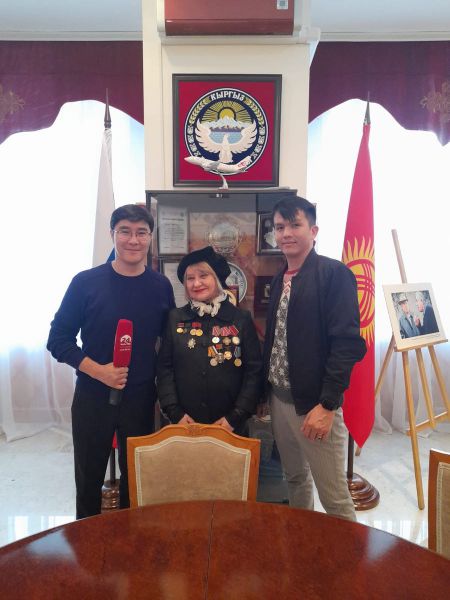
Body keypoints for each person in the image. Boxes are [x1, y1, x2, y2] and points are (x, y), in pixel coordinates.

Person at [47, 204, 175, 519]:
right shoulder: (85, 283)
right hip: (93, 395)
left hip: (140, 399)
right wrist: (98, 371)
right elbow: (58, 339)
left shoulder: (161, 286)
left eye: (141, 232)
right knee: (89, 477)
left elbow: (170, 343)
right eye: (125, 231)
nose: (133, 240)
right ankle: (86, 538)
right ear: (112, 234)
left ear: (150, 237)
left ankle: (130, 539)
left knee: (136, 478)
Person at [261, 195, 366, 521]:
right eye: (280, 227)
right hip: (279, 402)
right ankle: (301, 542)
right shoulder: (280, 277)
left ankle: (348, 553)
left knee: (334, 498)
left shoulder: (334, 274)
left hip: (315, 406)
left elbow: (346, 344)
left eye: (295, 225)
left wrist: (327, 405)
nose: (286, 233)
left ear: (313, 230)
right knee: (294, 479)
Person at [157, 246, 262, 434]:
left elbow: (254, 372)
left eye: (203, 276)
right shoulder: (175, 318)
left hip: (231, 426)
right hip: (184, 425)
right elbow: (165, 369)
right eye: (190, 278)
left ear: (217, 279)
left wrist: (236, 416)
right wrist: (175, 413)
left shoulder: (240, 319)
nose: (196, 283)